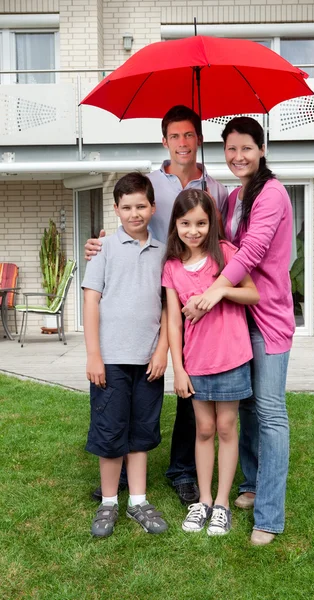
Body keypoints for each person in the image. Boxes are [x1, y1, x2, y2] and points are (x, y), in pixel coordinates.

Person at [85, 105, 228, 506]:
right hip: (155, 287)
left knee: (188, 385)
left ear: (199, 139)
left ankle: (182, 470)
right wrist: (100, 245)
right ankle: (123, 477)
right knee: (130, 398)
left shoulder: (214, 188)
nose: (183, 143)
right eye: (175, 136)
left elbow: (217, 238)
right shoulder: (149, 182)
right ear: (165, 141)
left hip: (194, 296)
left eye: (190, 135)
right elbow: (127, 223)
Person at [183, 117, 295, 546]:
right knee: (245, 408)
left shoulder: (273, 193)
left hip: (267, 317)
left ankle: (269, 515)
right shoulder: (230, 197)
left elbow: (250, 252)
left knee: (269, 413)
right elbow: (205, 238)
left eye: (246, 148)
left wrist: (212, 293)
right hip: (236, 321)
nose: (238, 156)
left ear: (261, 149)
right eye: (230, 149)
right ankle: (249, 486)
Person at [162, 189, 259, 535]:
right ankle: (202, 501)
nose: (193, 230)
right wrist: (179, 368)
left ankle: (221, 504)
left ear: (212, 222)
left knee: (226, 428)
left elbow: (252, 293)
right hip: (196, 362)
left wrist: (216, 294)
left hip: (232, 358)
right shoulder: (172, 268)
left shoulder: (227, 254)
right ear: (176, 224)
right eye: (186, 223)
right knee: (203, 429)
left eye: (201, 223)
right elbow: (173, 321)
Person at [82, 172, 169, 538]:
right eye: (127, 207)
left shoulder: (164, 252)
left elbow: (169, 307)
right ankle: (108, 502)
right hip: (112, 359)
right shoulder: (104, 249)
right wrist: (93, 355)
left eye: (141, 206)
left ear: (152, 207)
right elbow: (91, 300)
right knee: (110, 430)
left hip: (149, 360)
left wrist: (162, 350)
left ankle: (137, 501)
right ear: (116, 209)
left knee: (141, 432)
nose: (134, 213)